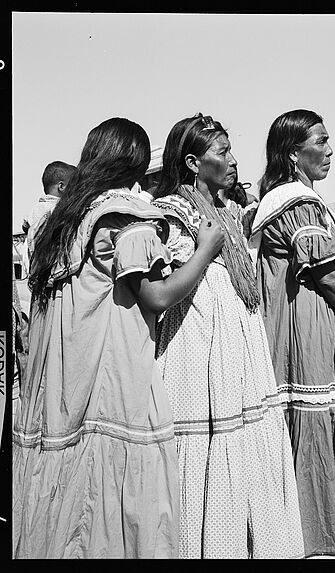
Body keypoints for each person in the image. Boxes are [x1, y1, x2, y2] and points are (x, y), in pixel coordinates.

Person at [13, 117, 208, 558]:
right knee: (119, 490)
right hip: (114, 367)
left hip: (61, 376)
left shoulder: (59, 220)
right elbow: (156, 297)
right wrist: (204, 252)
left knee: (71, 490)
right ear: (136, 163)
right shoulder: (127, 218)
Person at [152, 113, 304, 560]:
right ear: (195, 162)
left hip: (238, 339)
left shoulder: (230, 211)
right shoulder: (174, 212)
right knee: (207, 438)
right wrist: (206, 248)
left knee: (244, 435)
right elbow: (172, 282)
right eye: (223, 152)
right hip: (198, 340)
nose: (234, 160)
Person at [249, 109, 335, 558]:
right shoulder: (299, 203)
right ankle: (314, 535)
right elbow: (327, 274)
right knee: (313, 419)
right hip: (306, 325)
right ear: (294, 153)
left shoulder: (284, 199)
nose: (329, 151)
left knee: (309, 424)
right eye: (320, 142)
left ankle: (310, 530)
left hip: (299, 321)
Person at [22, 161, 77, 277]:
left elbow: (25, 226)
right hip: (55, 268)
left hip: (36, 269)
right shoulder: (60, 210)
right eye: (74, 186)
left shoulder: (35, 209)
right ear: (61, 187)